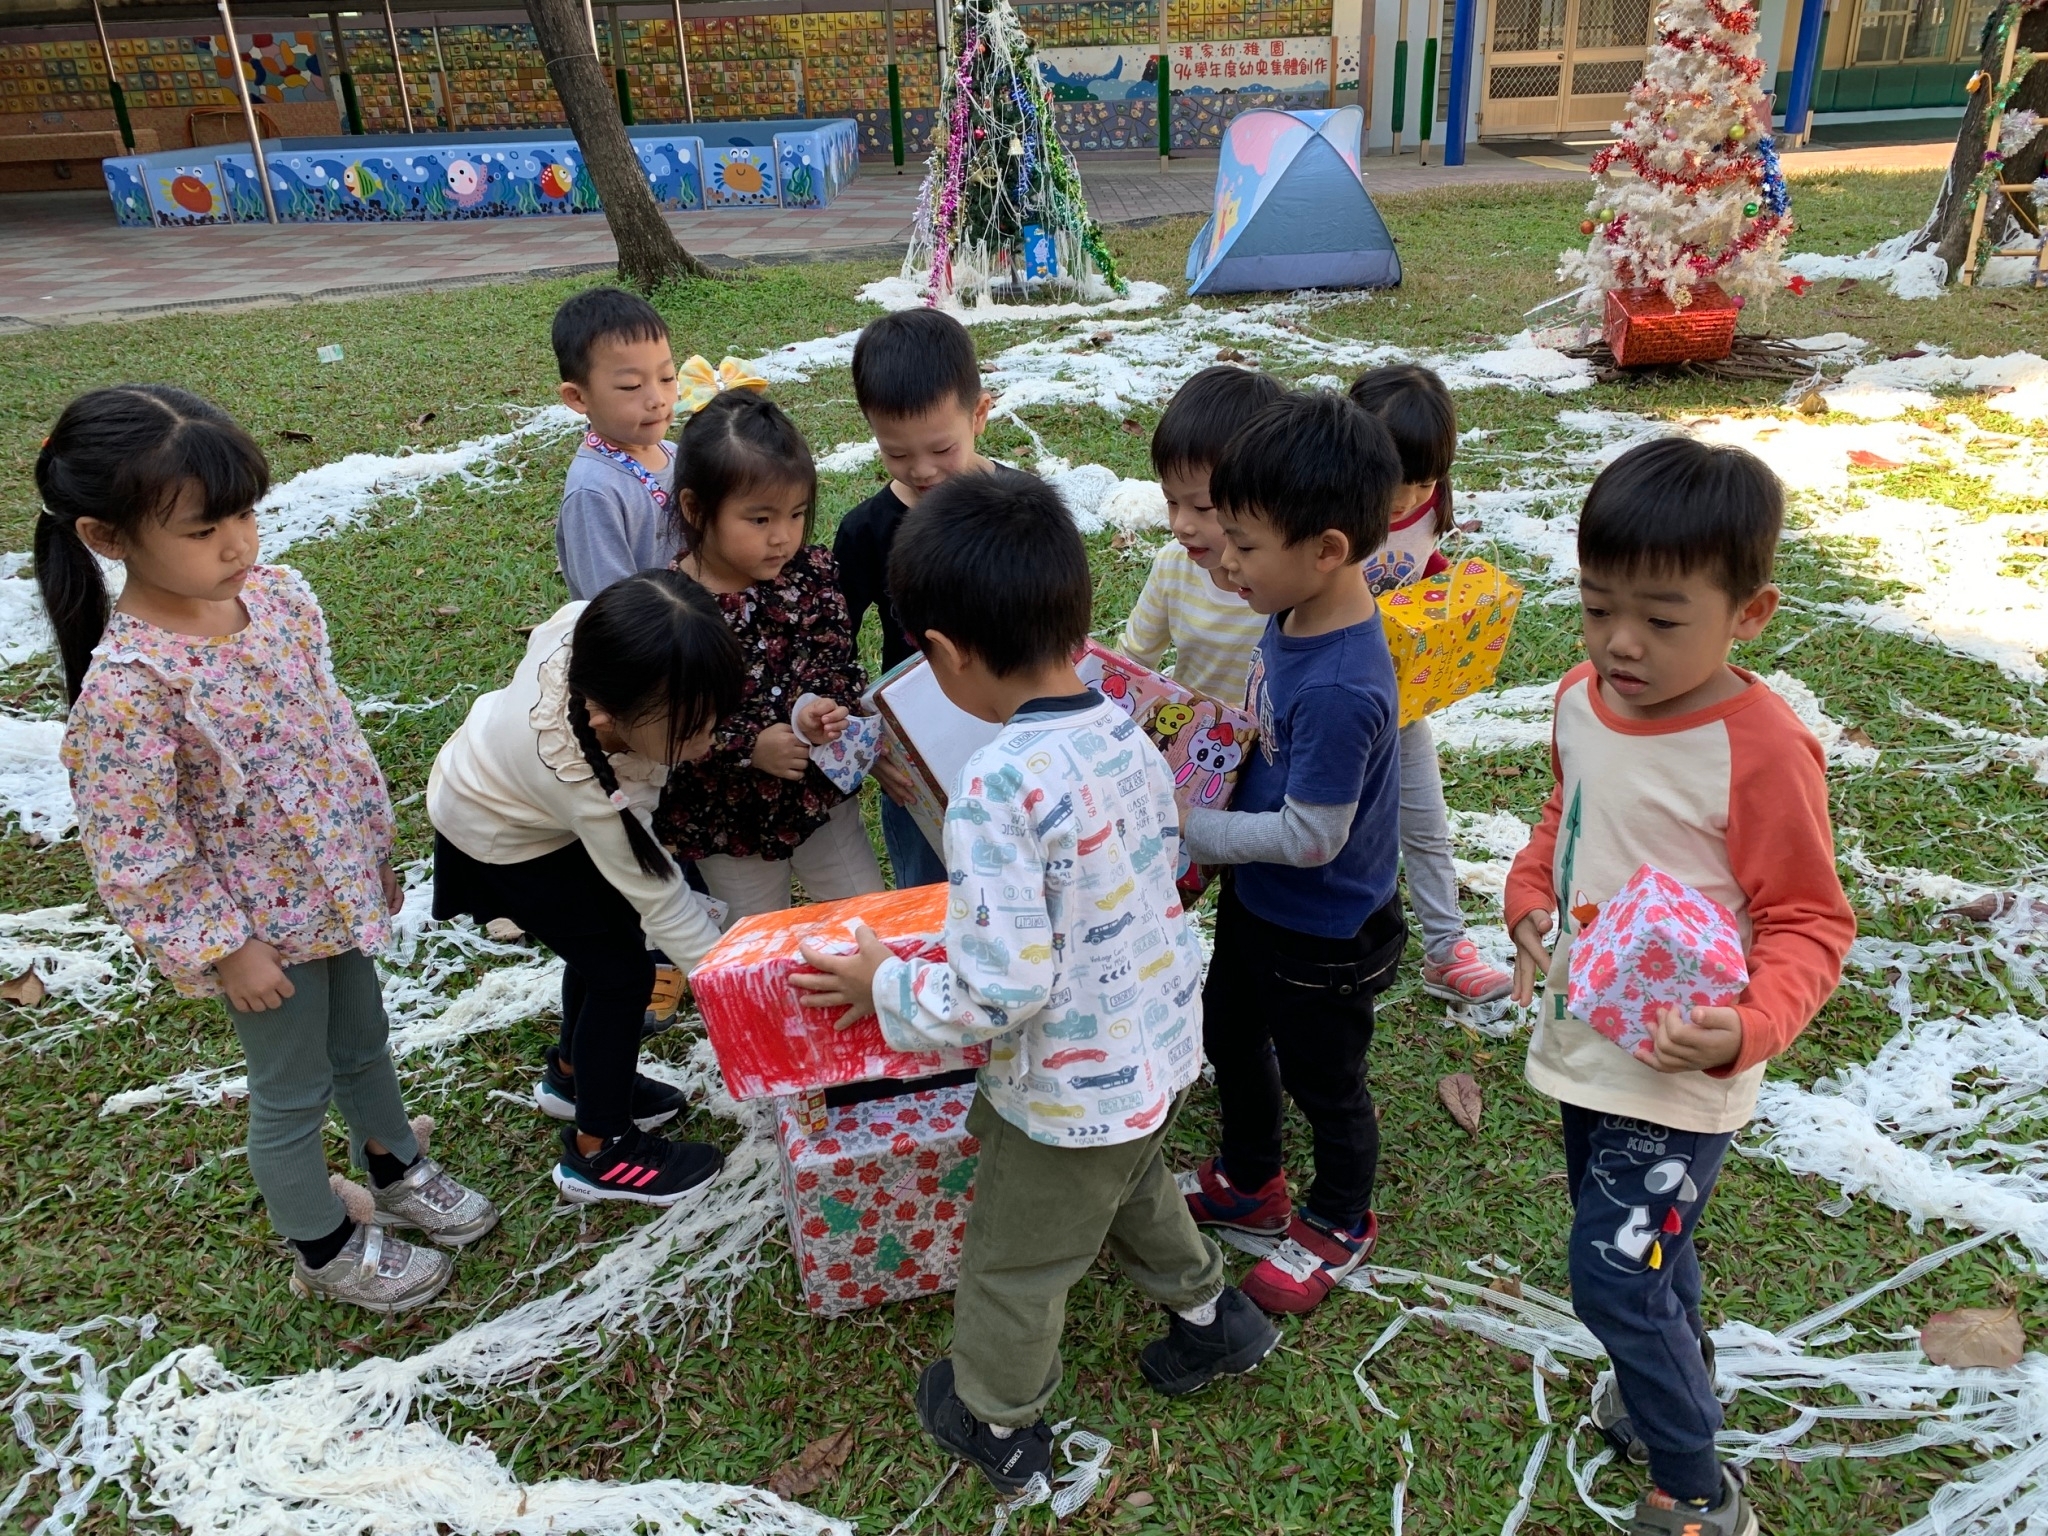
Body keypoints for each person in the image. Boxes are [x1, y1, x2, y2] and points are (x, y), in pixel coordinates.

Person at [795, 470, 1278, 1494]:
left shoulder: (993, 787)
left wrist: (886, 985)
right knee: (1137, 1183)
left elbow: (997, 992)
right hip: (1150, 1051)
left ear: (942, 656)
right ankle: (1212, 1318)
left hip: (1061, 1088)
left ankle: (996, 1418)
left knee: (1016, 1262)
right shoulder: (1122, 728)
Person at [42, 385, 498, 1315]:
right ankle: (322, 1241)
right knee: (290, 1089)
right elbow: (140, 850)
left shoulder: (281, 601)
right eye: (206, 529)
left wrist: (373, 847)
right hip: (256, 931)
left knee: (363, 1040)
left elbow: (334, 736)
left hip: (333, 890)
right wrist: (225, 947)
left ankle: (395, 1161)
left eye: (246, 513)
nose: (239, 544)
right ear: (107, 536)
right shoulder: (130, 688)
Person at [1505, 437, 1854, 1536]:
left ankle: (1696, 1485)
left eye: (1660, 620)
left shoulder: (1757, 750)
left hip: (1684, 1072)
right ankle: (1671, 1380)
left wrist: (1745, 1028)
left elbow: (1808, 918)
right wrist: (1526, 896)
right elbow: (1567, 819)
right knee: (1652, 1251)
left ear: (1746, 614)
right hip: (1586, 1046)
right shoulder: (1579, 699)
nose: (1619, 642)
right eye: (1596, 606)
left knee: (1612, 1276)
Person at [1175, 391, 1408, 1316]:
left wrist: (1192, 829)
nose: (1224, 563)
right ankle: (1250, 1178)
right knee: (1228, 1032)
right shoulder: (1292, 615)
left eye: (1243, 545)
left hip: (1326, 925)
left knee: (1325, 1079)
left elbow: (1316, 835)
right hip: (1261, 900)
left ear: (1326, 551)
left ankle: (1342, 1217)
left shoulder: (1347, 680)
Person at [428, 570, 744, 1206]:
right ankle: (602, 1151)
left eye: (715, 719)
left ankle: (574, 1077)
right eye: (691, 731)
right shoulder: (587, 787)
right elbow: (661, 897)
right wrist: (736, 985)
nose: (710, 743)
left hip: (511, 792)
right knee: (622, 973)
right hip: (502, 835)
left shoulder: (586, 627)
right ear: (606, 715)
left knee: (604, 944)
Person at [654, 391, 884, 920]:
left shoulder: (811, 574)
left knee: (865, 916)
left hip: (819, 796)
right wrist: (748, 748)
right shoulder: (673, 609)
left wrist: (822, 709)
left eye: (797, 513)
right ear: (695, 508)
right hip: (728, 816)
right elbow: (665, 726)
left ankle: (875, 995)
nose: (783, 537)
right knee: (754, 939)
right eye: (759, 519)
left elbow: (839, 662)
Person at [1349, 365, 1514, 1006]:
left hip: (1401, 697)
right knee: (1327, 823)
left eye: (1423, 479)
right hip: (1330, 697)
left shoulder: (1427, 504)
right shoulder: (1329, 506)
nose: (1407, 495)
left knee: (1425, 821)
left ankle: (1447, 950)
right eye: (1396, 479)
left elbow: (1421, 566)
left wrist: (1451, 597)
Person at [833, 307, 997, 890]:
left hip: (1016, 736)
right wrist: (868, 747)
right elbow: (831, 651)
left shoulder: (1019, 508)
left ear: (980, 413)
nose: (922, 471)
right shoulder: (866, 531)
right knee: (929, 894)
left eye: (941, 450)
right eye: (897, 454)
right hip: (913, 756)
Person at [1118, 365, 1283, 702]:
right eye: (1171, 501)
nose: (1181, 525)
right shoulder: (1174, 566)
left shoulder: (1290, 584)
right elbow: (1131, 661)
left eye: (1204, 507)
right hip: (1191, 739)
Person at [553, 286, 683, 600]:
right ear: (579, 397)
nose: (656, 400)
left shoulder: (677, 455)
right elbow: (614, 606)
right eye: (631, 386)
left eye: (667, 378)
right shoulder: (594, 491)